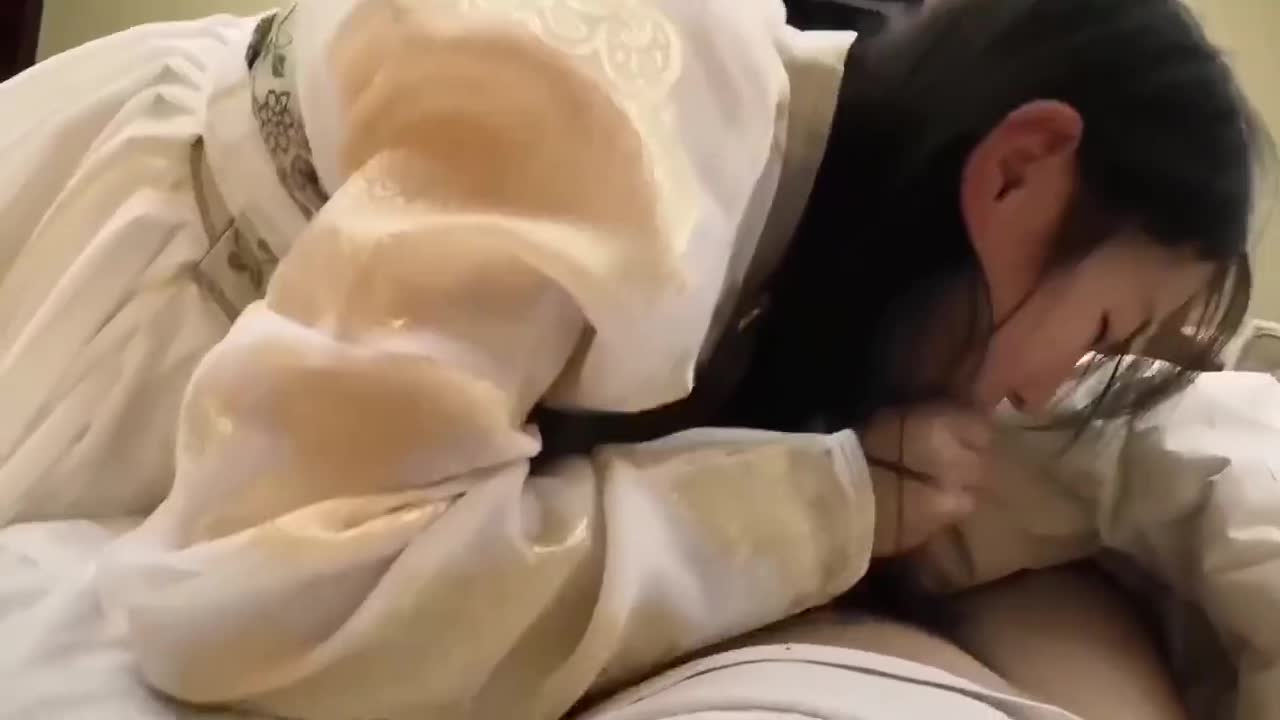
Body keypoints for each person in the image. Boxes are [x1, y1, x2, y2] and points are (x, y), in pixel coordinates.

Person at [0, 0, 1275, 719]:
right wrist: (817, 509)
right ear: (1017, 170)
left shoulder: (805, 207)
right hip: (118, 281)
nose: (1042, 394)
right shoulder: (630, 99)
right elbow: (271, 603)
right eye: (1100, 333)